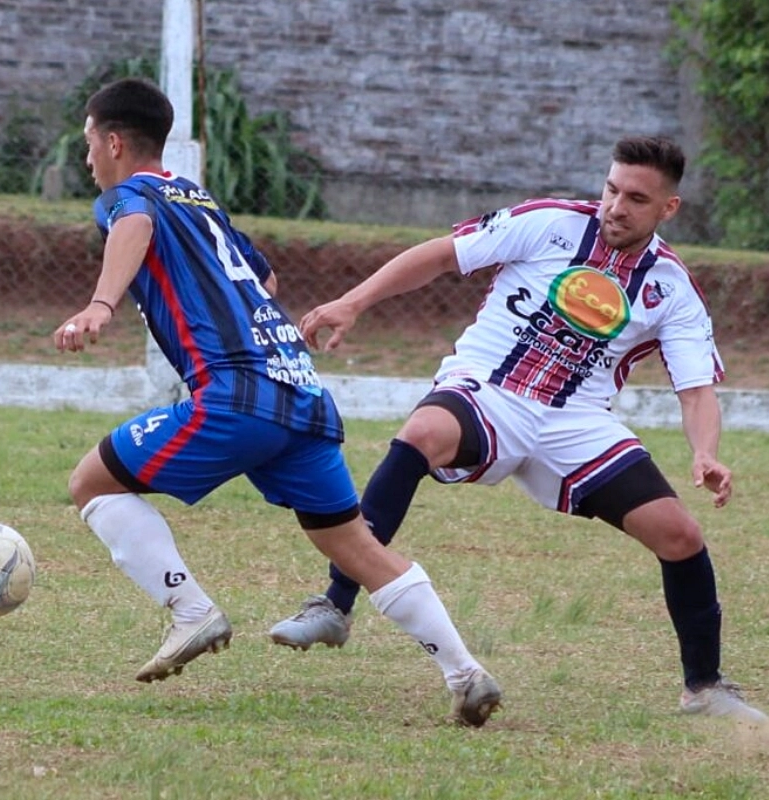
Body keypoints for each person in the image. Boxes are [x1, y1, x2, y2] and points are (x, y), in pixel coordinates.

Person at [269, 136, 769, 725]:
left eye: (636, 198)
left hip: (576, 419)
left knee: (680, 534)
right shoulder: (549, 222)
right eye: (612, 189)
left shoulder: (671, 288)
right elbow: (440, 254)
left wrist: (705, 452)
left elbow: (696, 391)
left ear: (668, 208)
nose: (616, 206)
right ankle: (335, 603)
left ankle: (704, 688)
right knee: (423, 432)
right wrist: (354, 302)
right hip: (490, 387)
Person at [53, 77, 501, 727]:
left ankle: (190, 612)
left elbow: (135, 222)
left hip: (237, 396)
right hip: (302, 392)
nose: (88, 157)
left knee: (91, 483)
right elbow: (264, 275)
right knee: (356, 548)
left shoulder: (132, 197)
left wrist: (101, 304)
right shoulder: (197, 198)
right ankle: (465, 672)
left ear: (115, 142)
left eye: (90, 143)